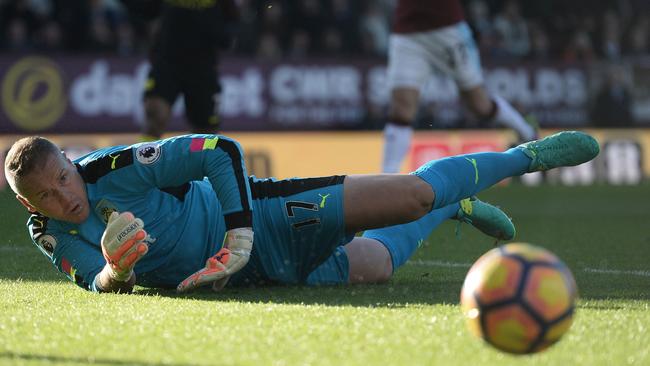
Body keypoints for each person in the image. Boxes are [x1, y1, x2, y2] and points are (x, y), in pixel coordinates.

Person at [4, 131, 599, 294]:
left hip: (267, 216)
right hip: (247, 279)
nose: (67, 197)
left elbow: (219, 151)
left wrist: (237, 236)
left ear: (68, 161)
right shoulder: (48, 232)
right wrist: (119, 269)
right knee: (376, 269)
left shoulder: (118, 167)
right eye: (50, 196)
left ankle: (524, 156)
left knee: (413, 192)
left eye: (64, 177)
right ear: (31, 206)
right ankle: (455, 209)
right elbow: (97, 280)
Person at [381, 0, 539, 173]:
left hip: (447, 28)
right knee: (401, 108)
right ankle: (388, 178)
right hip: (407, 31)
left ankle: (527, 131)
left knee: (479, 104)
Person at [123, 0, 240, 140]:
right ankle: (145, 159)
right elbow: (147, 9)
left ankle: (199, 159)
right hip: (167, 62)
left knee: (205, 132)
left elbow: (231, 23)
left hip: (202, 67)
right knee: (156, 115)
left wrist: (224, 35)